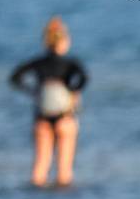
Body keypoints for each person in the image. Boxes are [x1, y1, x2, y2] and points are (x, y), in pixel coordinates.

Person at [8, 16, 87, 189]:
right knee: (64, 173)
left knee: (39, 170)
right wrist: (72, 90)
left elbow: (15, 78)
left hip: (42, 117)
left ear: (45, 41)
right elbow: (84, 78)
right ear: (64, 40)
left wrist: (33, 91)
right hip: (65, 117)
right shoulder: (70, 64)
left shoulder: (38, 63)